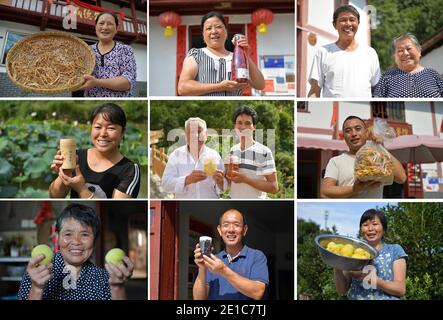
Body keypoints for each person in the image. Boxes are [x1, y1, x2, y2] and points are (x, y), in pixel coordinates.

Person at [17, 204, 134, 300]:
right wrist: (37, 288)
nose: (76, 242)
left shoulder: (103, 277)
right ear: (57, 237)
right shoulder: (38, 272)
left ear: (94, 239)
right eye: (68, 234)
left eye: (84, 235)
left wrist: (117, 287)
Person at [49, 103, 140, 199]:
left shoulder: (130, 170)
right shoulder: (76, 156)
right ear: (91, 128)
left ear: (122, 133)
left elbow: (115, 208)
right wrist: (64, 174)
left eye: (111, 128)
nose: (103, 134)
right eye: (97, 127)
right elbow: (54, 196)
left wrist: (81, 189)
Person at [177, 11, 265, 96]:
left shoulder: (236, 58)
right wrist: (220, 87)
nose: (214, 31)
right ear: (203, 35)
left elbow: (260, 85)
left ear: (226, 32)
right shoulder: (196, 55)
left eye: (218, 27)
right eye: (208, 28)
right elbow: (182, 88)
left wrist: (245, 55)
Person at [321, 116, 406, 198]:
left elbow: (401, 178)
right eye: (348, 131)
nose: (353, 134)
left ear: (366, 133)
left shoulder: (377, 157)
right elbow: (325, 192)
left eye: (358, 129)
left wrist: (381, 148)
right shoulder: (336, 161)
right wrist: (356, 189)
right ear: (344, 136)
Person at [193, 209, 269, 300]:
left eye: (236, 225)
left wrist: (223, 271)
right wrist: (202, 268)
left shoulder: (257, 256)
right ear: (220, 230)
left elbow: (258, 293)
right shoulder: (213, 261)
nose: (231, 230)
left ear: (244, 230)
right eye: (226, 225)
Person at [308, 5, 381, 97]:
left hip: (363, 110)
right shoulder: (323, 52)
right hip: (333, 110)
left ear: (358, 23)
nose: (348, 24)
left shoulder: (370, 53)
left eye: (352, 19)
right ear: (334, 25)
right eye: (343, 20)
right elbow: (315, 90)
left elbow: (377, 90)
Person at [333, 209, 407, 300]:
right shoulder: (352, 251)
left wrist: (372, 280)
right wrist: (336, 264)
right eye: (365, 225)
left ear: (384, 228)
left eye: (375, 224)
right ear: (361, 230)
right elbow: (342, 290)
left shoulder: (395, 250)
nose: (370, 228)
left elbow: (400, 289)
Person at [161, 117, 225, 198]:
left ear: (206, 135)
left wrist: (220, 182)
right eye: (191, 132)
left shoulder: (215, 155)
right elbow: (165, 184)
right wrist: (187, 180)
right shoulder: (176, 155)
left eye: (199, 131)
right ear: (186, 136)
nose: (195, 135)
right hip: (185, 208)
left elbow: (223, 188)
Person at [78, 12, 137, 97]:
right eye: (101, 23)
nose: (105, 27)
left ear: (116, 29)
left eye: (110, 24)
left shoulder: (125, 50)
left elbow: (128, 82)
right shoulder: (87, 50)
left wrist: (97, 82)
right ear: (96, 27)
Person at [228, 106, 278, 199]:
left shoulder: (264, 152)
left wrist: (246, 180)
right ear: (234, 126)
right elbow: (231, 183)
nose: (243, 127)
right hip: (234, 201)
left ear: (254, 127)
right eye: (239, 123)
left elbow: (274, 187)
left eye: (247, 123)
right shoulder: (233, 150)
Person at [373, 33, 443, 98]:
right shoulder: (386, 78)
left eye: (409, 48)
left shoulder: (433, 75)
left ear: (419, 51)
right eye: (400, 50)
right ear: (394, 56)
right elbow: (377, 105)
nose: (405, 53)